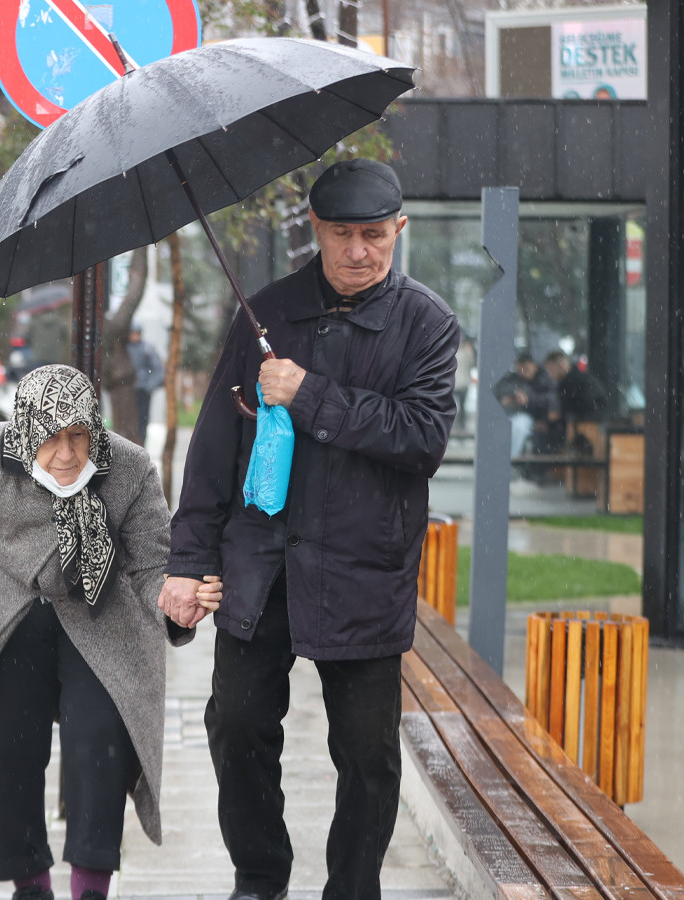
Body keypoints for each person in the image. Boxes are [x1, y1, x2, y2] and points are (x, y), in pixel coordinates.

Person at [159, 159, 460, 900]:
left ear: (400, 229)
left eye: (374, 235)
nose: (359, 251)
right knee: (236, 727)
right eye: (341, 234)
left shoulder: (426, 323)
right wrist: (186, 560)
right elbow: (213, 453)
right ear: (315, 231)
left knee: (366, 753)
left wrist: (311, 394)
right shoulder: (265, 313)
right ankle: (260, 879)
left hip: (364, 570)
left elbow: (421, 438)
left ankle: (352, 889)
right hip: (257, 568)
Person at [0, 365, 212, 900]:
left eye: (78, 435)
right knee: (9, 743)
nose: (68, 454)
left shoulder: (129, 467)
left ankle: (91, 888)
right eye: (51, 438)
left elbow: (149, 567)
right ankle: (29, 886)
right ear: (26, 431)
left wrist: (175, 605)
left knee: (100, 741)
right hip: (7, 610)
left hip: (100, 618)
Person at [494, 352, 560, 461]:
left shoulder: (545, 379)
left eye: (526, 368)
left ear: (534, 365)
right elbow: (501, 389)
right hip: (518, 415)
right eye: (520, 369)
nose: (523, 372)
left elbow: (551, 401)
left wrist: (529, 399)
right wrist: (511, 396)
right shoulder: (514, 378)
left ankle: (511, 461)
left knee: (518, 427)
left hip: (541, 420)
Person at [544, 350, 610, 429]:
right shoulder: (581, 377)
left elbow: (569, 413)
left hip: (586, 426)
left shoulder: (570, 383)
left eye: (551, 370)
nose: (550, 375)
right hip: (595, 423)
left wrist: (555, 419)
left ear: (561, 365)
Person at [127, 327, 165, 440]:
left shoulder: (147, 348)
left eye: (137, 333)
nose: (135, 336)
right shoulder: (125, 348)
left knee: (142, 420)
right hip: (127, 391)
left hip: (142, 391)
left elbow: (158, 369)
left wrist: (148, 386)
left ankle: (141, 443)